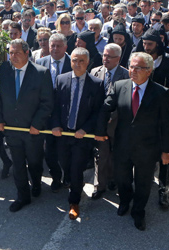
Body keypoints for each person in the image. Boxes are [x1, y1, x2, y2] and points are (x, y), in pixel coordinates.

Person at [96, 52, 169, 231]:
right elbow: (105, 109)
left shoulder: (161, 93)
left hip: (147, 149)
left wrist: (167, 151)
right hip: (122, 146)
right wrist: (100, 131)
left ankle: (139, 211)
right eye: (131, 66)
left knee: (143, 183)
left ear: (149, 71)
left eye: (138, 67)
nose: (133, 70)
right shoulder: (119, 86)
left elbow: (167, 124)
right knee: (122, 179)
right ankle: (124, 202)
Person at [0, 39, 54, 212]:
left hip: (32, 130)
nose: (13, 56)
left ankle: (36, 183)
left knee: (35, 162)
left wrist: (37, 124)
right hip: (12, 129)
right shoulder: (3, 70)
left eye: (17, 53)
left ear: (27, 53)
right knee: (18, 164)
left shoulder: (41, 73)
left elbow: (47, 103)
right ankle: (23, 196)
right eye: (11, 53)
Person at [52, 48, 105, 220]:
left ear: (88, 62)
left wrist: (86, 129)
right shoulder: (61, 79)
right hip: (63, 134)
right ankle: (73, 183)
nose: (78, 64)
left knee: (76, 168)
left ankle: (74, 201)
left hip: (82, 136)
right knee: (64, 163)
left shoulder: (96, 84)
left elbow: (98, 112)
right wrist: (56, 125)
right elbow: (55, 106)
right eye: (74, 60)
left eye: (81, 60)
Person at [89, 43, 129, 199]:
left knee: (115, 154)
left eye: (109, 56)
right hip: (99, 123)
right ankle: (99, 185)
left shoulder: (125, 74)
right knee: (100, 154)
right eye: (104, 55)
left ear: (118, 59)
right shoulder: (95, 71)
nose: (105, 59)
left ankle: (113, 179)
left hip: (118, 122)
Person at [36, 33, 72, 192]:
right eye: (52, 46)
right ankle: (56, 177)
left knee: (65, 152)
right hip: (47, 116)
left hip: (67, 116)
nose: (55, 49)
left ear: (65, 47)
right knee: (49, 152)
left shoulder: (74, 63)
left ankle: (69, 175)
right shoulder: (40, 63)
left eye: (58, 46)